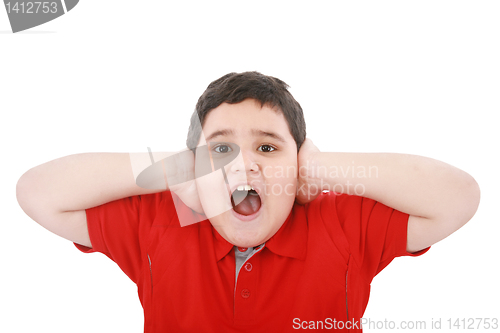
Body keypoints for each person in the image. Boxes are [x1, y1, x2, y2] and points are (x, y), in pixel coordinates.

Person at [16, 71, 480, 332]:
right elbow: (37, 193)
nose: (243, 166)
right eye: (221, 149)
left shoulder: (339, 221)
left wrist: (319, 167)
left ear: (297, 164)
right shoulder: (161, 221)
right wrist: (175, 168)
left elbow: (458, 198)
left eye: (267, 147)